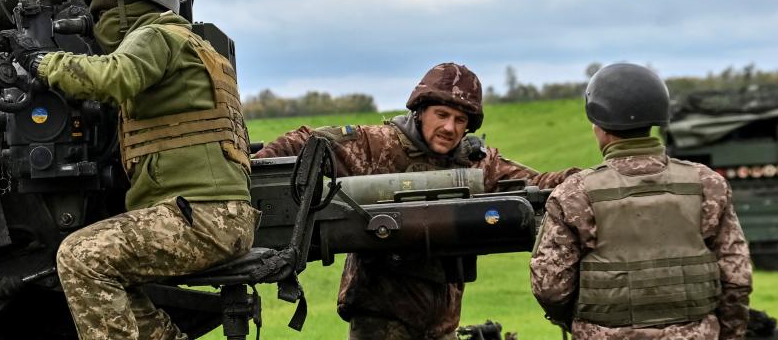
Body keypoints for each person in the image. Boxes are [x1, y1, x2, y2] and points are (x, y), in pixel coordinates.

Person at [3, 0, 258, 339]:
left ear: (130, 6)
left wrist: (40, 61)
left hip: (203, 218)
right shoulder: (196, 45)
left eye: (104, 11)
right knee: (115, 277)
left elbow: (111, 78)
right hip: (220, 218)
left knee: (80, 258)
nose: (98, 22)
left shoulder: (155, 35)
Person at [254, 62, 579, 340]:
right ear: (421, 111)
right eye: (442, 114)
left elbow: (540, 184)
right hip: (379, 318)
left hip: (441, 323)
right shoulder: (376, 145)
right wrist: (249, 167)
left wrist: (595, 179)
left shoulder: (477, 164)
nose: (450, 127)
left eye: (460, 120)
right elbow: (306, 144)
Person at [530, 63, 752, 339]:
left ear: (598, 124)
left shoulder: (574, 195)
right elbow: (737, 277)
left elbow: (550, 287)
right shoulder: (708, 185)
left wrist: (582, 324)